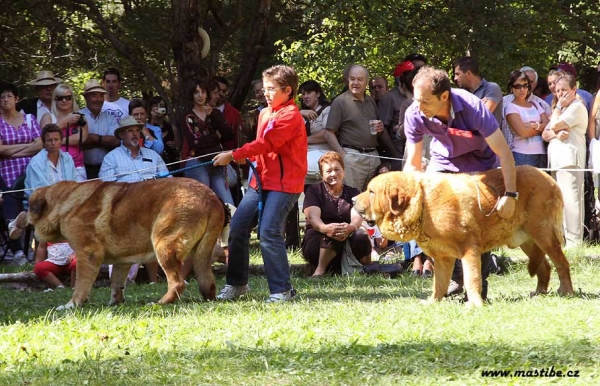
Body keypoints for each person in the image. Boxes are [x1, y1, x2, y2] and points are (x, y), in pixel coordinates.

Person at [403, 66, 517, 301]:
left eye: (425, 101)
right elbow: (413, 164)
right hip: (443, 162)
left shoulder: (473, 107)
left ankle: (478, 286)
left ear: (444, 96)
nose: (419, 107)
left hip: (481, 163)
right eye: (416, 100)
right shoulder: (414, 113)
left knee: (480, 220)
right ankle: (455, 280)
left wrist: (510, 194)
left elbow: (504, 153)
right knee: (437, 219)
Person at [212, 64, 307, 303]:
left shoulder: (291, 116)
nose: (265, 93)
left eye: (271, 89)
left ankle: (283, 290)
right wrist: (248, 156)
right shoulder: (265, 112)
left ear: (287, 90)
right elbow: (262, 147)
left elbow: (270, 143)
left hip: (284, 185)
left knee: (268, 232)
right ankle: (237, 284)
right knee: (238, 228)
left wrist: (233, 154)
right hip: (260, 181)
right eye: (264, 88)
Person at [100, 116, 170, 282]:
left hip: (153, 207)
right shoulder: (111, 157)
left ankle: (155, 280)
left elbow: (169, 181)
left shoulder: (153, 156)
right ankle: (123, 280)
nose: (134, 134)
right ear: (121, 135)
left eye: (137, 130)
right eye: (129, 130)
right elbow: (106, 187)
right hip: (125, 209)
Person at [301, 152, 372, 276]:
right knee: (334, 231)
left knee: (360, 235)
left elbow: (357, 216)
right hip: (317, 242)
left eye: (337, 169)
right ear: (322, 174)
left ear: (343, 171)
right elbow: (313, 216)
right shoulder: (314, 190)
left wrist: (351, 227)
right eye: (328, 171)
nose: (333, 174)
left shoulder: (353, 192)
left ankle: (367, 268)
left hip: (345, 240)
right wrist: (325, 228)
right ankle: (320, 271)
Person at [542, 73, 588, 248]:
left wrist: (558, 108)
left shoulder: (576, 107)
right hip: (557, 160)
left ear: (574, 89)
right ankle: (563, 239)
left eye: (564, 90)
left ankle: (575, 242)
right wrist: (556, 133)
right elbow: (547, 133)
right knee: (561, 200)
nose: (560, 94)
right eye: (558, 91)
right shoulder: (561, 109)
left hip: (570, 159)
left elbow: (553, 125)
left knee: (571, 199)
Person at [0, 82, 43, 264]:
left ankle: (41, 251)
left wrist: (12, 149)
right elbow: (1, 151)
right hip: (6, 172)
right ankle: (17, 250)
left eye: (9, 96)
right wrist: (28, 147)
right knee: (8, 196)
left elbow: (40, 145)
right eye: (1, 97)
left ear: (16, 98)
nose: (5, 100)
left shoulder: (30, 119)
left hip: (31, 171)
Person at [323, 64, 384, 190]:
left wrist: (380, 128)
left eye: (359, 79)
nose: (355, 83)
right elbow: (328, 133)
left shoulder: (370, 101)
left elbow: (375, 130)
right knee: (351, 199)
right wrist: (345, 157)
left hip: (373, 157)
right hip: (353, 158)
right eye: (352, 79)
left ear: (366, 82)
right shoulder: (340, 101)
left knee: (372, 201)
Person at [181, 79, 234, 205]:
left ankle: (232, 224)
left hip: (217, 161)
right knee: (204, 201)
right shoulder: (188, 116)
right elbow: (196, 143)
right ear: (191, 95)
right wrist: (216, 137)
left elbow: (228, 134)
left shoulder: (214, 113)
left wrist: (214, 117)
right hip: (198, 161)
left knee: (228, 203)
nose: (200, 95)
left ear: (207, 94)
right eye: (196, 92)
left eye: (203, 92)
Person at [40, 84, 89, 181]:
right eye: (60, 98)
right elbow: (45, 137)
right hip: (54, 167)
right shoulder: (48, 116)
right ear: (54, 99)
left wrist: (55, 142)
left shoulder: (79, 117)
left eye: (68, 98)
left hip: (77, 167)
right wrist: (65, 121)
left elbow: (81, 138)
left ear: (72, 99)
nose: (64, 101)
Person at [504, 70, 549, 168]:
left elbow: (548, 125)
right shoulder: (510, 107)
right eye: (518, 86)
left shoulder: (536, 104)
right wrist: (540, 128)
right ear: (512, 88)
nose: (522, 89)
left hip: (541, 153)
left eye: (525, 85)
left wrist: (535, 126)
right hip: (522, 154)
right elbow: (522, 132)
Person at [80, 79, 120, 179]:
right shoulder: (78, 117)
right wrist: (104, 141)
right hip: (83, 170)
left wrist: (96, 138)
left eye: (101, 95)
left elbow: (116, 141)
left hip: (108, 169)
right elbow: (79, 142)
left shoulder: (110, 118)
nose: (98, 99)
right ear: (86, 97)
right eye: (94, 95)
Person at [377, 61, 415, 167]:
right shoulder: (389, 98)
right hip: (398, 153)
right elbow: (382, 129)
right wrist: (395, 154)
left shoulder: (420, 99)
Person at [299, 80, 332, 186]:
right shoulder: (301, 114)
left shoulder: (327, 110)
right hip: (305, 153)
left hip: (322, 153)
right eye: (303, 94)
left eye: (309, 93)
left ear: (317, 93)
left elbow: (326, 134)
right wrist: (299, 113)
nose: (305, 96)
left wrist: (303, 140)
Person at [453, 56, 503, 125]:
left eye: (457, 74)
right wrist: (478, 105)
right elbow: (454, 118)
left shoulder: (491, 88)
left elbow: (482, 117)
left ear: (468, 73)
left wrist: (465, 110)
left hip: (490, 136)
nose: (455, 78)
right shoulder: (462, 94)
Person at [148, 96, 180, 171]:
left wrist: (175, 144)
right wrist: (152, 120)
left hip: (172, 163)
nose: (158, 109)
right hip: (155, 164)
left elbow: (178, 147)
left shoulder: (172, 128)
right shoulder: (146, 128)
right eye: (155, 106)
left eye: (161, 106)